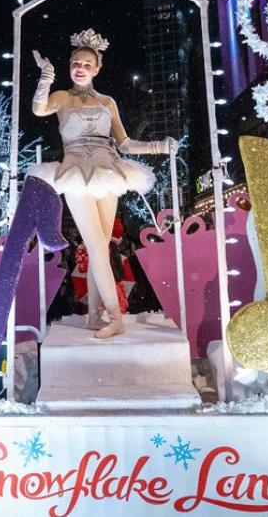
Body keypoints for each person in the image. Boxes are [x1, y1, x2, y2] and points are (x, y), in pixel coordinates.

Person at [28, 29, 173, 338]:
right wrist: (46, 76)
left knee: (101, 248)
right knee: (95, 247)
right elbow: (38, 109)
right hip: (76, 174)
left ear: (97, 69)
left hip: (107, 173)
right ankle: (116, 316)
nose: (79, 68)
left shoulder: (108, 102)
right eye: (74, 63)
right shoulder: (62, 97)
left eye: (86, 64)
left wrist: (159, 146)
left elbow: (125, 143)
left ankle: (94, 314)